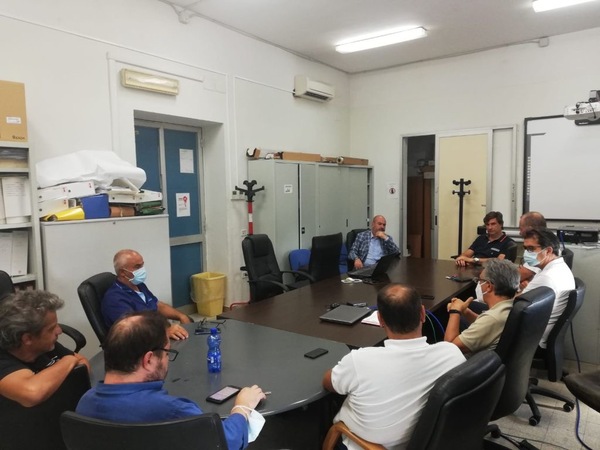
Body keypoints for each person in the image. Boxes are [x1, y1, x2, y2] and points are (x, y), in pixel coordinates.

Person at [76, 311, 266, 450]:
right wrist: (242, 407)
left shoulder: (84, 403)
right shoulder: (174, 411)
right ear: (149, 360)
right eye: (166, 353)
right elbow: (227, 443)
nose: (167, 360)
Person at [322, 284, 465, 449]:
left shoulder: (360, 360)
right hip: (427, 442)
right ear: (422, 314)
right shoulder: (451, 354)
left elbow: (328, 383)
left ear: (380, 320)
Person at [0, 290, 90, 407]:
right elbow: (32, 393)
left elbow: (83, 364)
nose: (59, 331)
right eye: (51, 329)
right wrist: (69, 360)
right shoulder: (4, 361)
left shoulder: (46, 347)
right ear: (27, 338)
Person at [102, 249, 191, 340]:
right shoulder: (115, 299)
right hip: (142, 343)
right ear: (122, 272)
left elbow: (156, 305)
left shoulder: (139, 286)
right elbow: (131, 331)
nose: (142, 270)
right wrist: (165, 332)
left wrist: (181, 316)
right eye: (137, 267)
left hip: (159, 334)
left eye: (142, 265)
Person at [444, 259, 519, 355]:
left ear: (489, 286)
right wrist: (465, 311)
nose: (479, 283)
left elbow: (449, 347)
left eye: (480, 280)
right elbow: (483, 323)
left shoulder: (492, 318)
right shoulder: (508, 306)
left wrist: (455, 311)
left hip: (469, 362)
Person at [520, 229, 575, 349]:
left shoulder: (546, 277)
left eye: (531, 249)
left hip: (532, 340)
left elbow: (516, 307)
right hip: (540, 331)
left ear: (548, 250)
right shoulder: (559, 267)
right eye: (525, 248)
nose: (526, 253)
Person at [518, 211, 547, 286]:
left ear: (530, 230)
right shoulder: (548, 242)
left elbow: (517, 277)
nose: (519, 233)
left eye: (521, 229)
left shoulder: (541, 249)